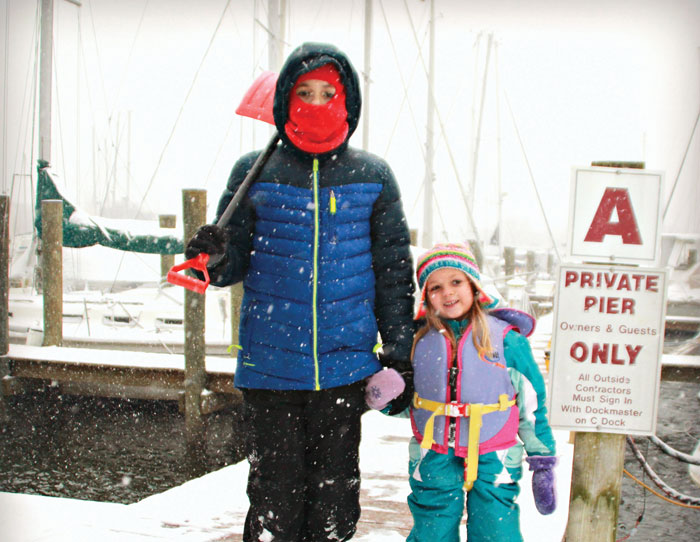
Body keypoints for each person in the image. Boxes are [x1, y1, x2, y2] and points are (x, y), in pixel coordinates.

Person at [184, 42, 415, 542]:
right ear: (286, 99)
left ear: (346, 98)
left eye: (327, 91)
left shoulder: (372, 177)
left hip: (345, 368)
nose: (315, 101)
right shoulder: (254, 171)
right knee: (274, 501)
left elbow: (394, 272)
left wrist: (399, 352)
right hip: (270, 369)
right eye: (304, 92)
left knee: (334, 501)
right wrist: (214, 251)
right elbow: (226, 269)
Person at [400, 242, 557, 542]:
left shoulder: (507, 340)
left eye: (456, 282)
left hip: (494, 449)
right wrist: (383, 396)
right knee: (431, 528)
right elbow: (402, 399)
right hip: (433, 449)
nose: (447, 293)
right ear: (426, 296)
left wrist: (542, 458)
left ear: (473, 285)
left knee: (496, 529)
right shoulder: (417, 340)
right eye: (436, 287)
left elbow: (533, 404)